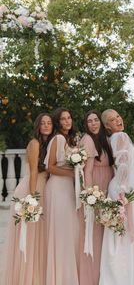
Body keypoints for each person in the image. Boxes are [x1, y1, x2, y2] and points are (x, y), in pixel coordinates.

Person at [2, 113, 54, 285]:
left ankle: (38, 277)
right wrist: (33, 199)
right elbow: (33, 172)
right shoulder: (35, 143)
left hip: (42, 189)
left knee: (39, 236)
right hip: (30, 190)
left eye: (49, 123)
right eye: (43, 123)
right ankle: (27, 279)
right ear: (38, 126)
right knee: (30, 235)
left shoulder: (51, 143)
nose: (46, 126)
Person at [99, 109, 134, 285]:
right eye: (112, 119)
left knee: (119, 236)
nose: (118, 120)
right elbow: (123, 165)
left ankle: (119, 277)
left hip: (121, 189)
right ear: (107, 126)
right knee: (123, 236)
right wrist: (124, 191)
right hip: (122, 191)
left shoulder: (113, 138)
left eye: (118, 116)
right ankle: (124, 278)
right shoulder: (120, 137)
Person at [44, 108, 80, 285]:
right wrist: (73, 173)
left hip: (68, 189)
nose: (67, 121)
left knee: (69, 230)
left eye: (69, 118)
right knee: (61, 231)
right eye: (63, 119)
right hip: (58, 188)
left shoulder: (71, 140)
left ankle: (67, 274)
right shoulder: (57, 139)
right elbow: (49, 167)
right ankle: (58, 277)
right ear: (58, 122)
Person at [78, 110, 114, 285]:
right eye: (90, 121)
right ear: (86, 124)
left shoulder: (105, 139)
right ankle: (92, 277)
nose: (93, 123)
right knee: (96, 232)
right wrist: (91, 195)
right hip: (97, 186)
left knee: (106, 230)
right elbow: (88, 171)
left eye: (96, 120)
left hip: (108, 184)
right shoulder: (88, 140)